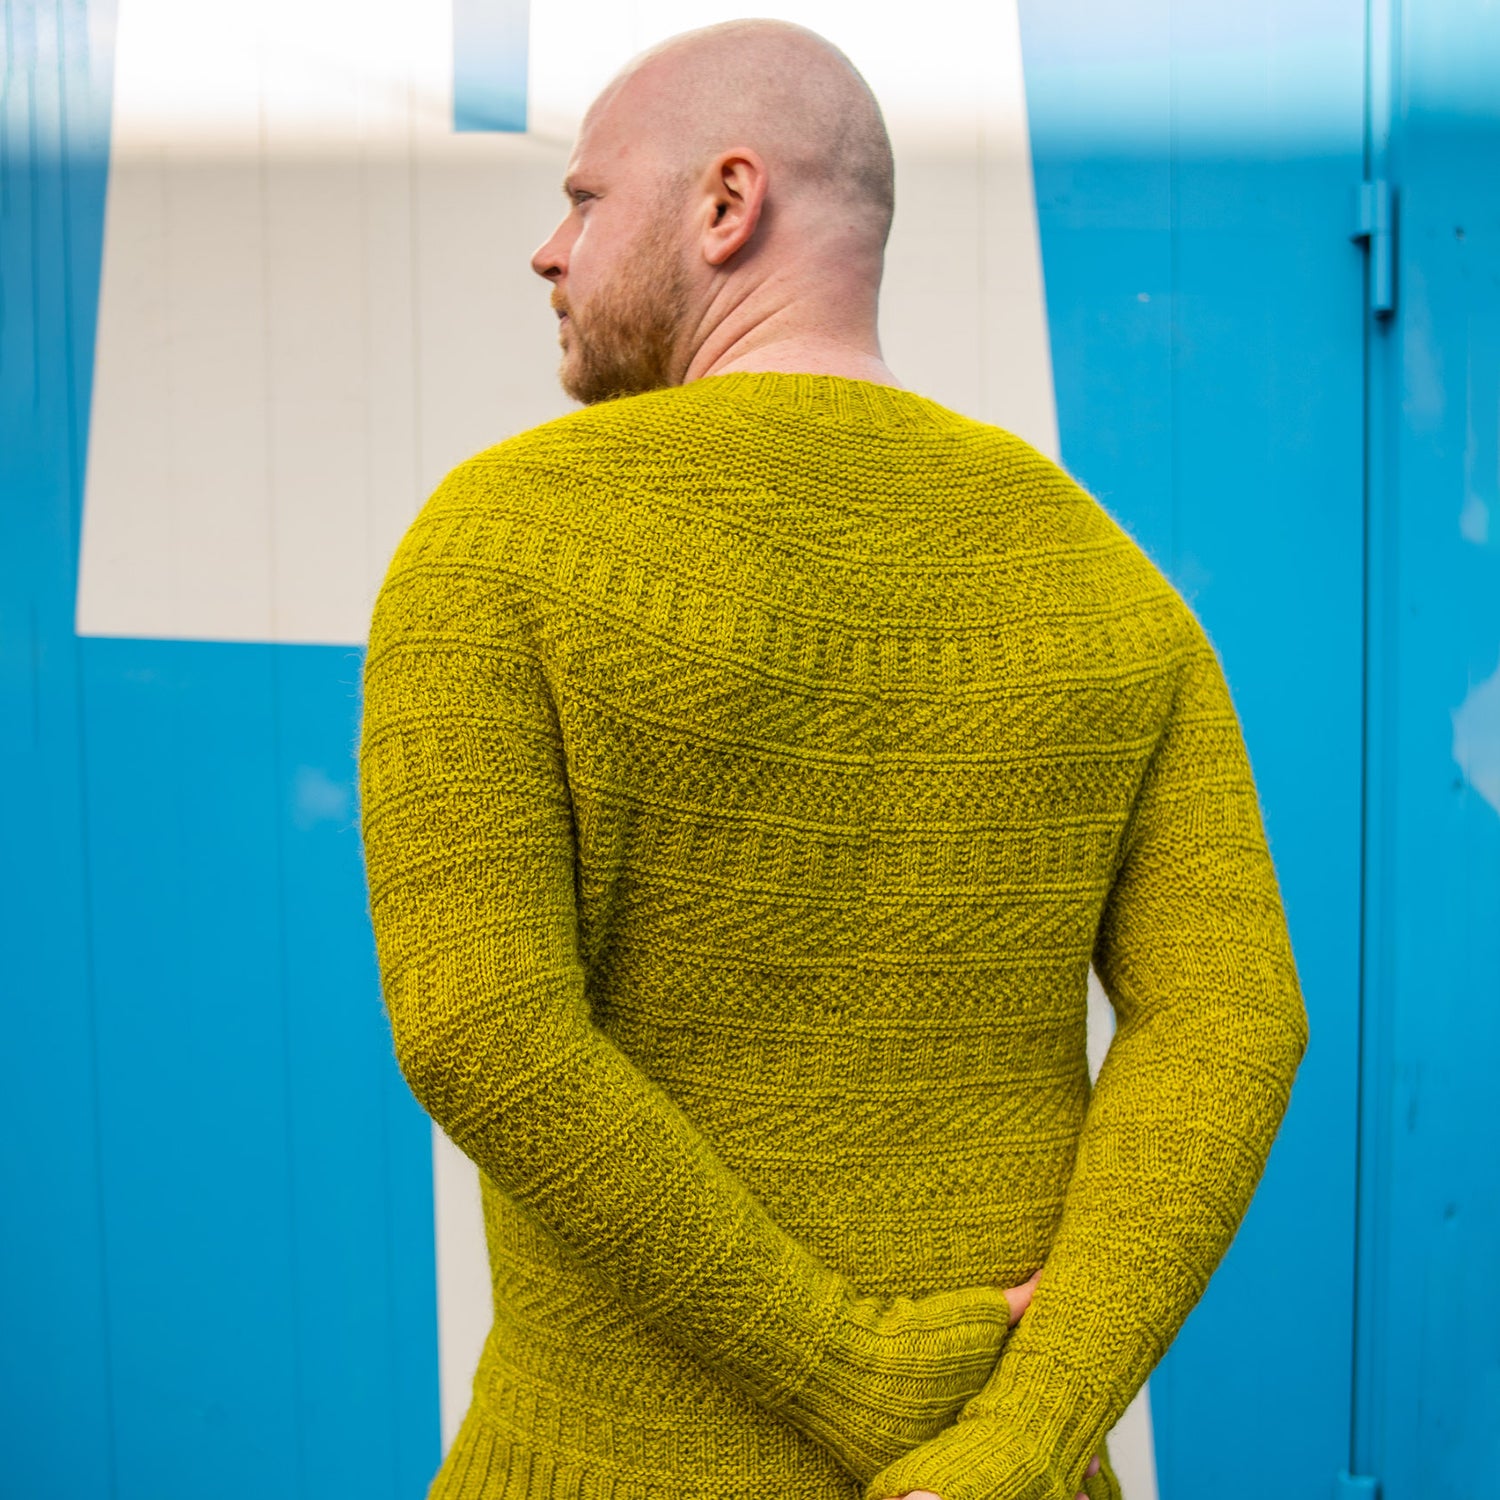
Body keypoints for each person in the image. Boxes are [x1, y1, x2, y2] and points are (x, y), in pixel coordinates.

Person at [357, 18, 1309, 1500]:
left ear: (727, 203)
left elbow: (477, 1023)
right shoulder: (1109, 583)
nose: (550, 250)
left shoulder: (500, 538)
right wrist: (1027, 1430)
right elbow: (1232, 1022)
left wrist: (845, 1368)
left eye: (587, 198)